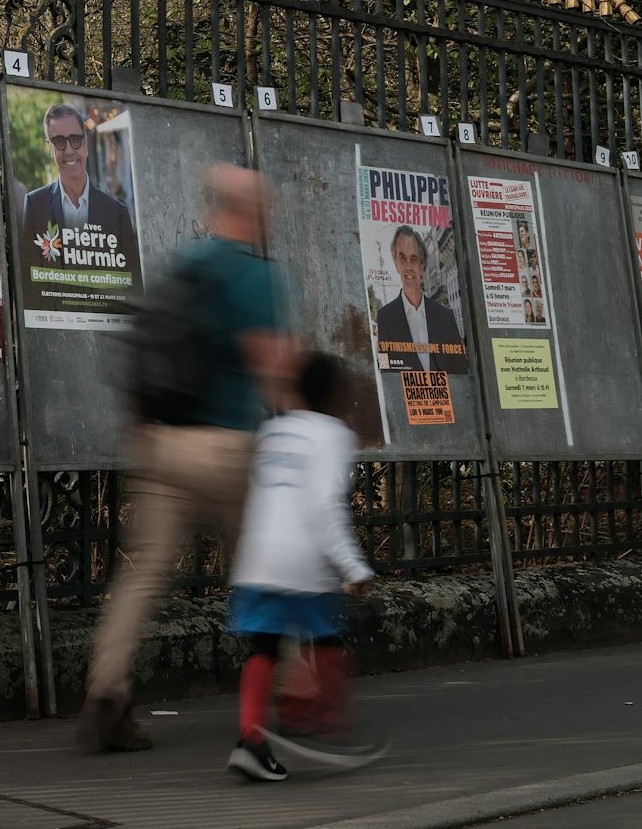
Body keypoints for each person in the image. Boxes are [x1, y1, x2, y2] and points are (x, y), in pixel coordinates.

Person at [80, 165, 290, 754]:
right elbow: (272, 368)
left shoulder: (182, 266)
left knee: (143, 572)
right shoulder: (253, 276)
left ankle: (107, 689)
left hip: (161, 443)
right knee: (264, 566)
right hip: (226, 447)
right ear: (250, 211)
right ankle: (296, 688)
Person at [227, 352, 386, 781]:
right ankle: (324, 721)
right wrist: (353, 566)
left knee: (264, 647)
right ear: (336, 395)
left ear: (295, 390)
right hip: (302, 560)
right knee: (327, 639)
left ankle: (251, 740)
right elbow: (324, 507)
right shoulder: (333, 435)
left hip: (259, 557)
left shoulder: (272, 431)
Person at [21, 103, 139, 270]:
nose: (69, 150)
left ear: (85, 144)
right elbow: (29, 275)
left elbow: (131, 283)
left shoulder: (117, 213)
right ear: (50, 148)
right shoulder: (35, 205)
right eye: (59, 141)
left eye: (75, 140)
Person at [372, 226, 467, 372]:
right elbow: (385, 370)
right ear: (396, 264)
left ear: (422, 266)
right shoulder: (385, 316)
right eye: (402, 258)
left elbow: (460, 371)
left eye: (414, 259)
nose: (408, 266)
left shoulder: (446, 317)